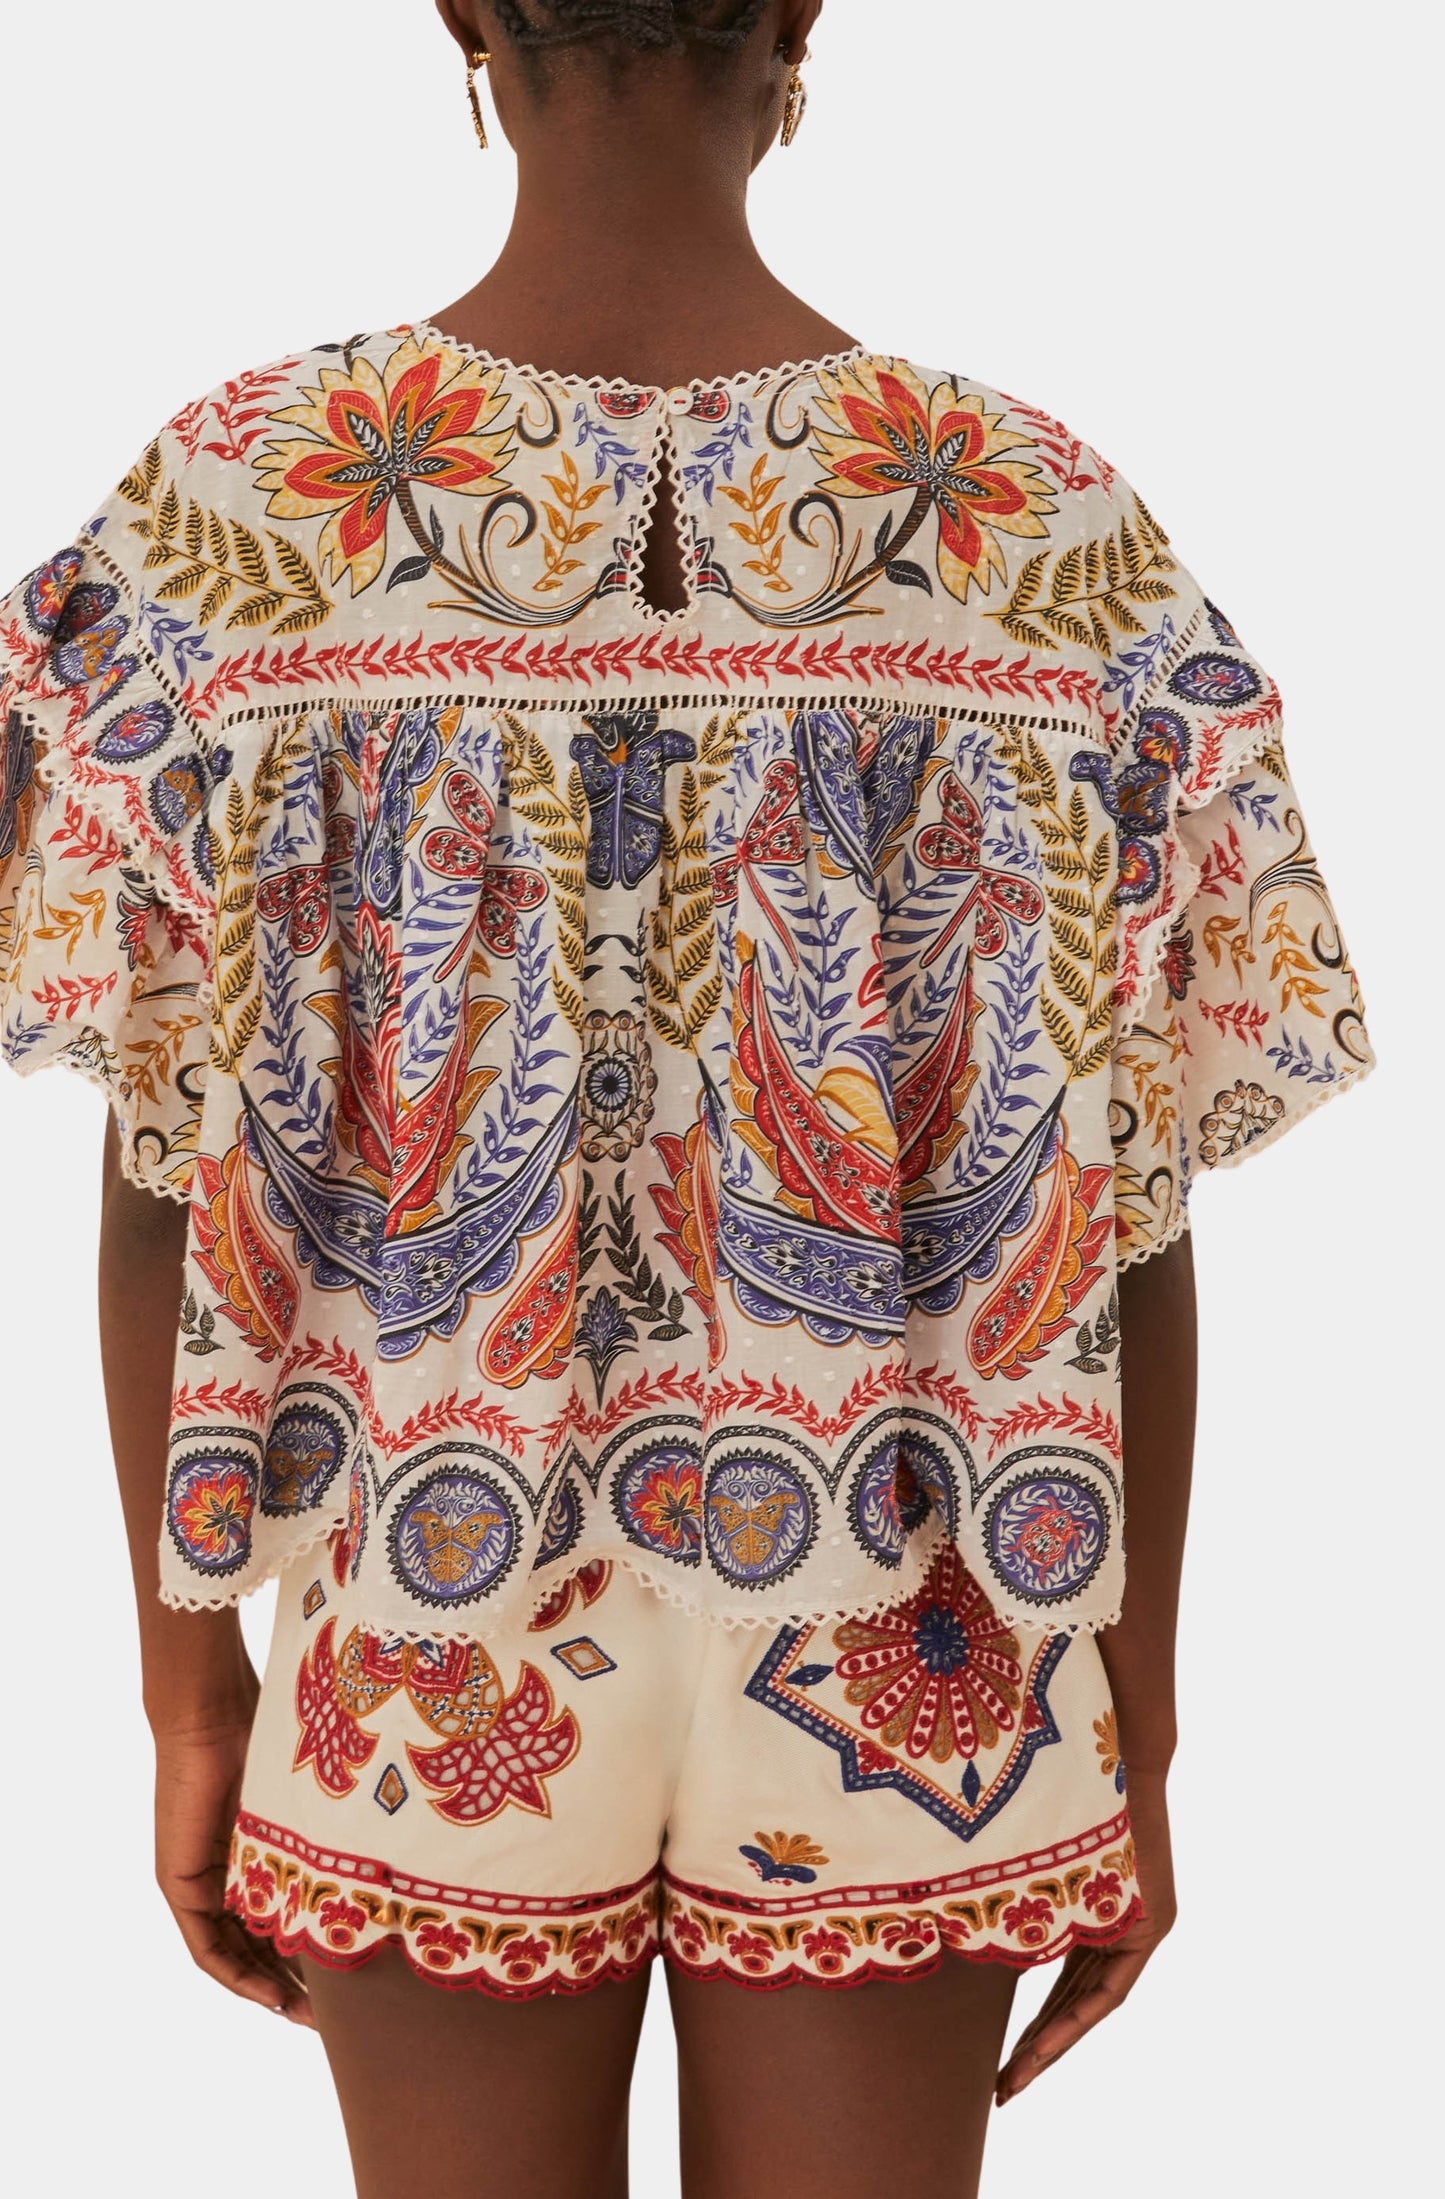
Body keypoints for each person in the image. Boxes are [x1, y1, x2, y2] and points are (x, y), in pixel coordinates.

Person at [0, 4, 1376, 2194]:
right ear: (801, 14)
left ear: (463, 13)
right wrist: (1143, 1707)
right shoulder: (1037, 528)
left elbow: (167, 1162)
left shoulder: (242, 507)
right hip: (926, 1624)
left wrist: (184, 1688)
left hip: (428, 1605)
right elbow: (1122, 1200)